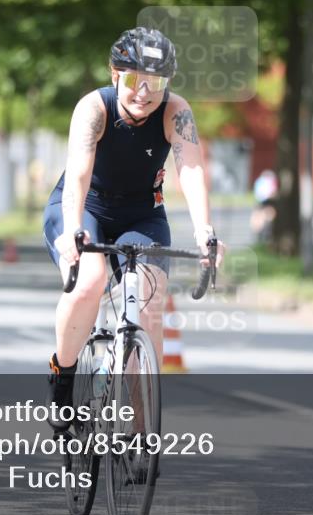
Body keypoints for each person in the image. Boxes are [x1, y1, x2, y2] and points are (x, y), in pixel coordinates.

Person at [42, 27, 225, 430]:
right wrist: (75, 232)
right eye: (132, 80)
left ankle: (141, 432)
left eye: (155, 83)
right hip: (83, 206)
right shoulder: (93, 108)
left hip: (142, 214)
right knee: (89, 282)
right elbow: (79, 176)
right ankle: (63, 376)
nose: (143, 92)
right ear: (114, 76)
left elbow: (191, 170)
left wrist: (204, 231)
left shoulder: (176, 112)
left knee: (148, 304)